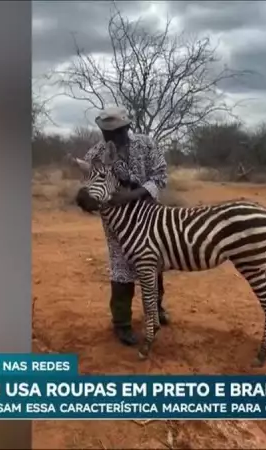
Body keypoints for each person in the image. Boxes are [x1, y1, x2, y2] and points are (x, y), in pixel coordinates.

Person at [80, 106, 170, 346]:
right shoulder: (96, 154)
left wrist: (131, 196)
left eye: (117, 133)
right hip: (117, 226)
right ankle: (121, 323)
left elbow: (161, 177)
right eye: (106, 133)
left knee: (153, 264)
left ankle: (156, 310)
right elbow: (89, 185)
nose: (111, 138)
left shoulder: (146, 144)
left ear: (127, 128)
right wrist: (85, 199)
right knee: (121, 269)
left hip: (150, 219)